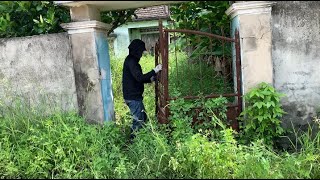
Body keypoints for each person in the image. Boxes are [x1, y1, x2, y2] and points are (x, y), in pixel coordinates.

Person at [122, 39, 162, 141]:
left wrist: (150, 79)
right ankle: (132, 142)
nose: (141, 54)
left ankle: (142, 139)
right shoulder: (131, 61)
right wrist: (154, 70)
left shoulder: (132, 61)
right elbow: (139, 78)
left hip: (134, 96)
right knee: (138, 121)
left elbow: (136, 79)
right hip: (133, 97)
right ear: (137, 50)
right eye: (141, 51)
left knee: (143, 118)